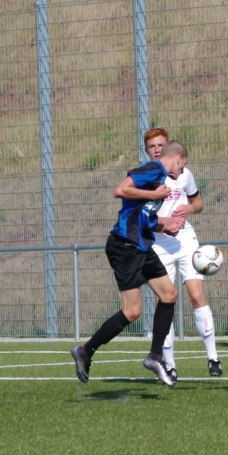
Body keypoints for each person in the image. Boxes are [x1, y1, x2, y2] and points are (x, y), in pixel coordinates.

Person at [71, 141, 186, 387]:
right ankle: (85, 351)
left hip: (141, 245)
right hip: (125, 246)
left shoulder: (159, 179)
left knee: (169, 295)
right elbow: (121, 190)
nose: (182, 171)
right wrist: (155, 195)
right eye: (182, 166)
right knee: (132, 311)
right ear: (177, 158)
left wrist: (165, 225)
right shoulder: (154, 169)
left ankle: (155, 357)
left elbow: (142, 216)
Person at [143, 129, 222, 380]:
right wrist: (162, 224)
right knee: (164, 301)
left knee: (197, 295)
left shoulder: (185, 173)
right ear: (147, 150)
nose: (157, 149)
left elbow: (198, 203)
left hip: (185, 239)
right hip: (158, 243)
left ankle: (213, 358)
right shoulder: (147, 177)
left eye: (161, 145)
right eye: (152, 146)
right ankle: (169, 364)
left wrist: (189, 208)